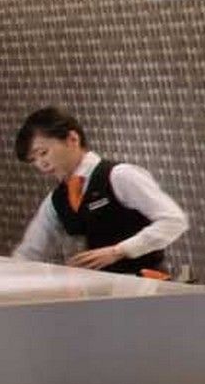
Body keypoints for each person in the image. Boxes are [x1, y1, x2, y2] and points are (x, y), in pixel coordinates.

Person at [12, 108, 188, 274]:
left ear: (72, 139)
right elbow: (30, 251)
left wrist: (119, 251)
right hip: (93, 289)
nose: (41, 164)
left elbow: (173, 221)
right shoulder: (56, 200)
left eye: (43, 153)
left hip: (144, 286)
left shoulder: (119, 176)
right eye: (33, 160)